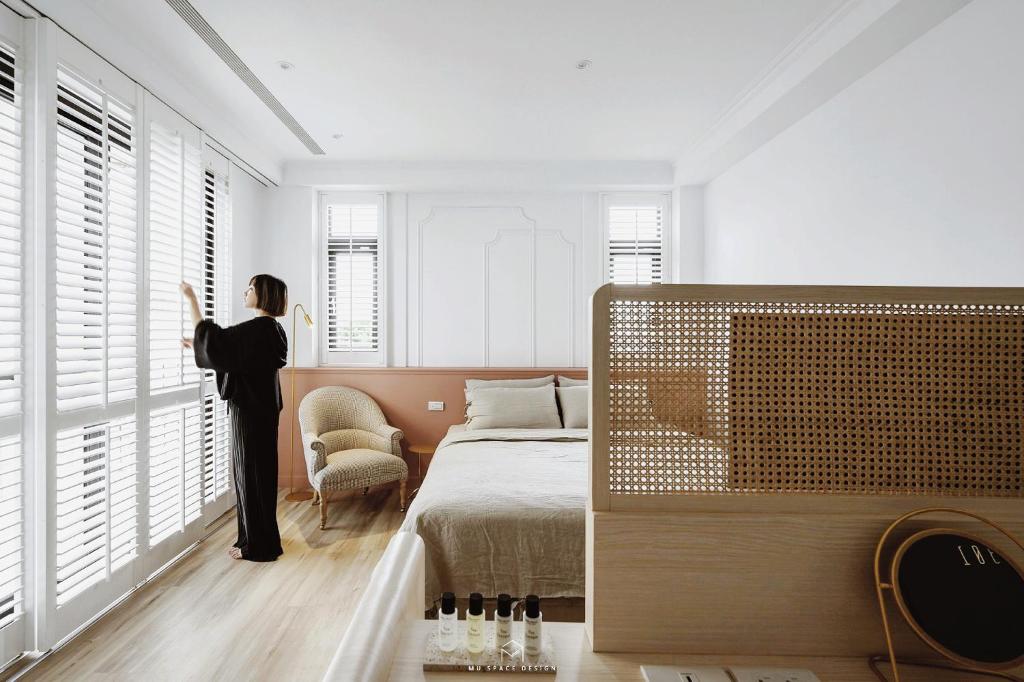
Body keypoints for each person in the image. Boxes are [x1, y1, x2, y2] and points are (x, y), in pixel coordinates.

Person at [180, 275, 288, 561]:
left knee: (249, 477)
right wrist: (201, 348)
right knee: (259, 477)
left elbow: (216, 344)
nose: (245, 291)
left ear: (263, 295)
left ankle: (257, 546)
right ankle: (259, 540)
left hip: (250, 412)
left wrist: (192, 300)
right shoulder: (273, 330)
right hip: (263, 411)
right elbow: (232, 355)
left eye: (250, 288)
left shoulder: (257, 329)